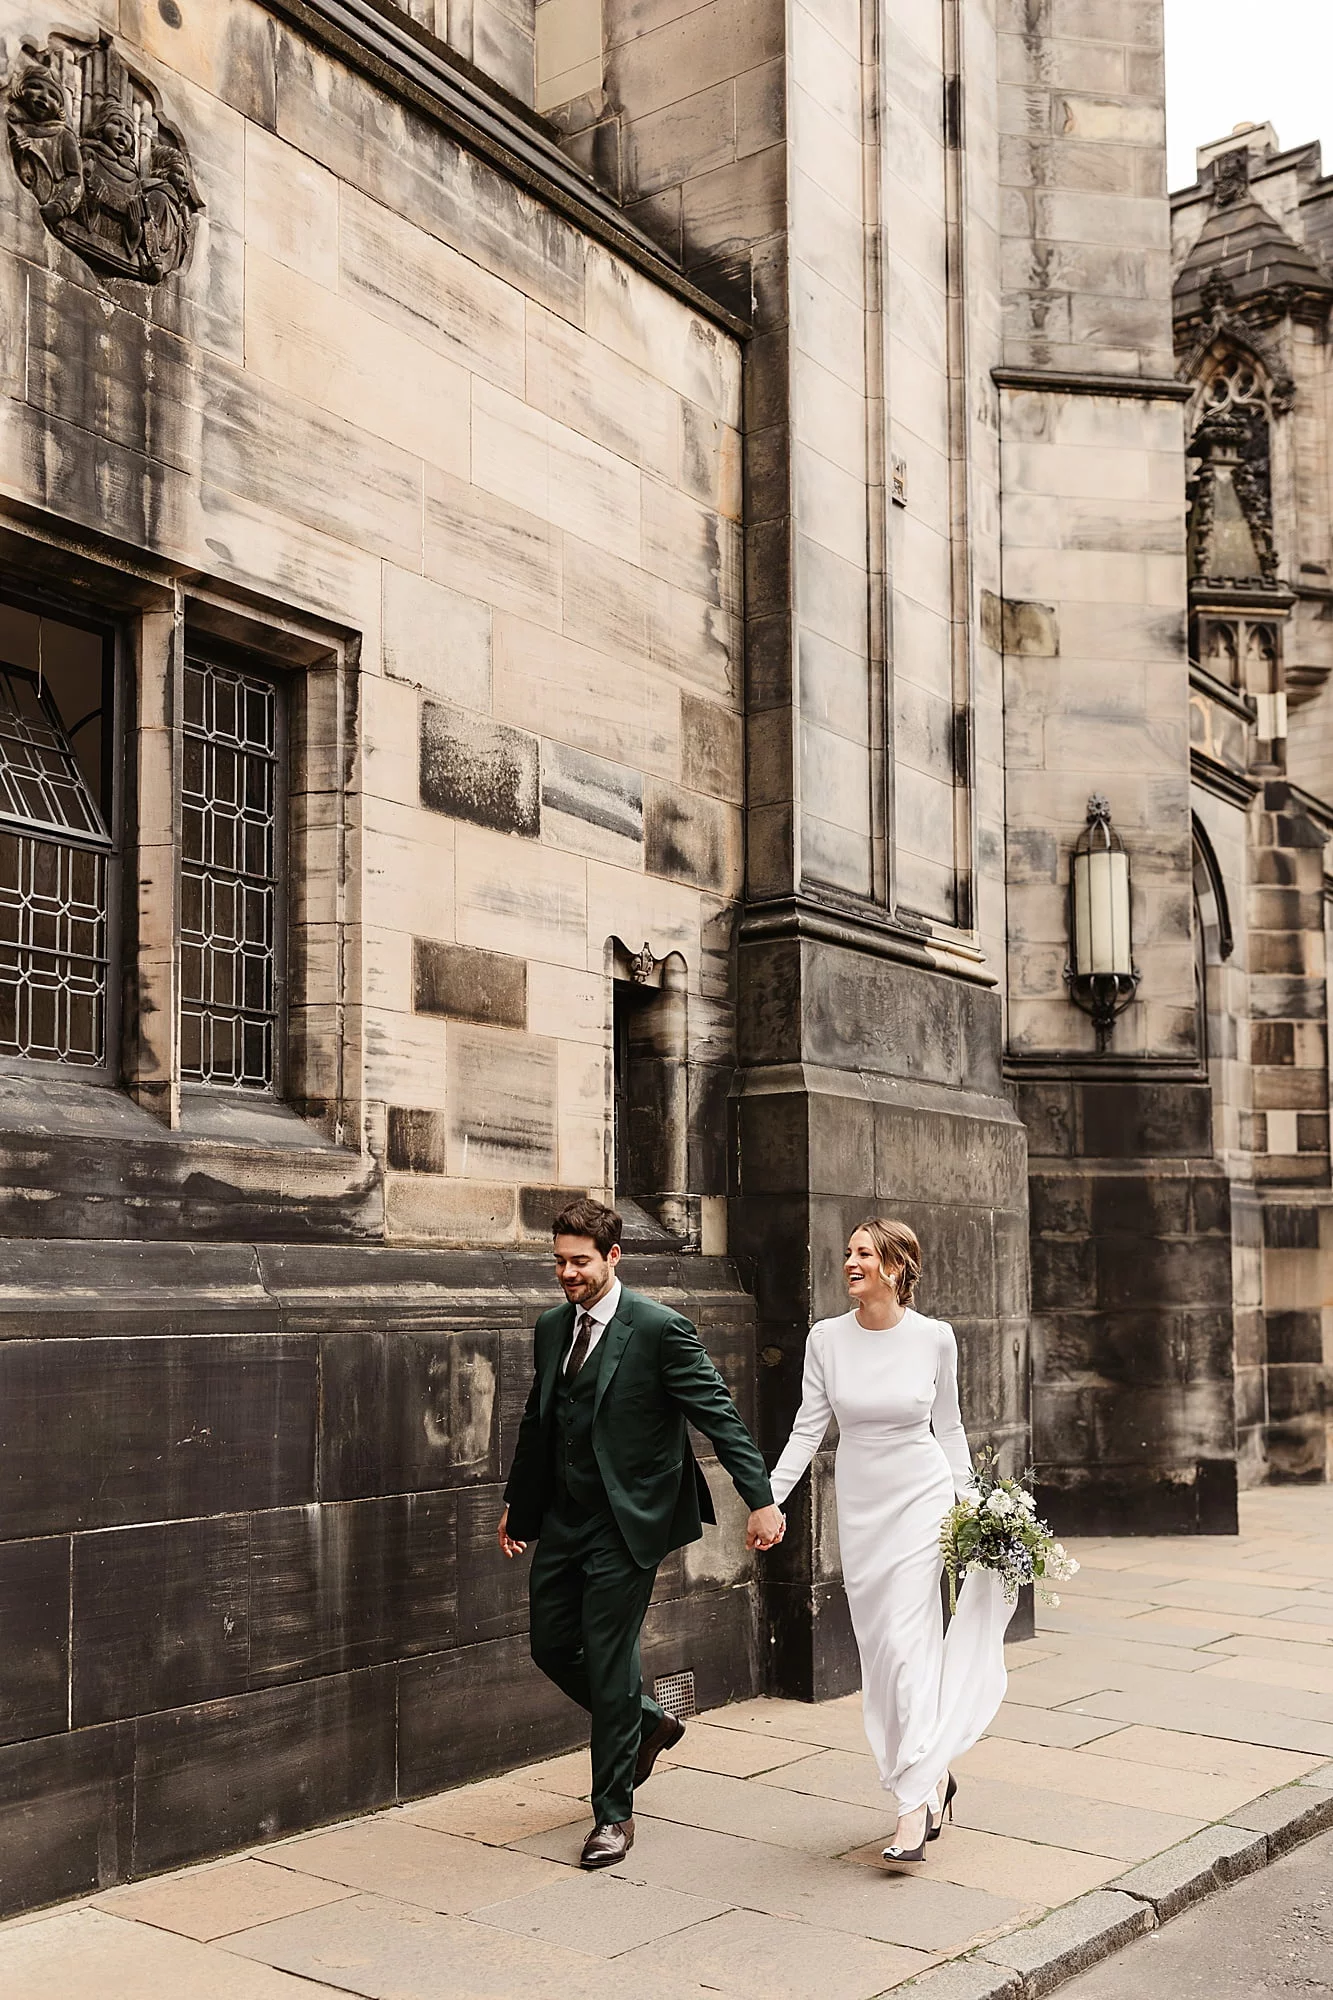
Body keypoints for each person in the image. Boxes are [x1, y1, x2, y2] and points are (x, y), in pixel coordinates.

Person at [498, 1196, 785, 1869]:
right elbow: (538, 1424)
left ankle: (612, 1816)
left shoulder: (659, 1330)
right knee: (548, 1644)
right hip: (563, 1517)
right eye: (559, 1262)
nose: (567, 1274)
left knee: (607, 1656)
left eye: (579, 1262)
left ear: (612, 1258)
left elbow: (721, 1419)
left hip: (628, 1523)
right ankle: (647, 1720)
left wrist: (761, 1501)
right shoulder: (550, 1328)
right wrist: (519, 1501)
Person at [765, 1217, 1010, 1863]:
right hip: (862, 1505)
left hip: (920, 1499)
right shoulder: (826, 1339)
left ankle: (910, 1807)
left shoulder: (934, 1338)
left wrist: (973, 1510)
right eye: (847, 1252)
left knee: (906, 1648)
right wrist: (768, 1498)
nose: (850, 1261)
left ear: (896, 1268)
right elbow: (804, 1429)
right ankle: (930, 1778)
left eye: (864, 1253)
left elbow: (950, 1428)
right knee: (881, 1656)